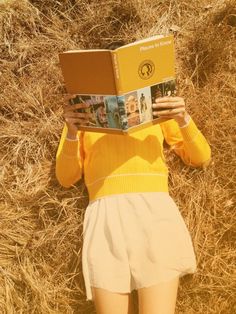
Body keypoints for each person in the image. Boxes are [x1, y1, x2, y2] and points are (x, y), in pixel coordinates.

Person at [55, 94, 211, 314]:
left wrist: (182, 117)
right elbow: (65, 177)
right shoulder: (82, 108)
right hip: (105, 218)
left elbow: (201, 157)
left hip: (153, 212)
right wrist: (71, 131)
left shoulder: (156, 100)